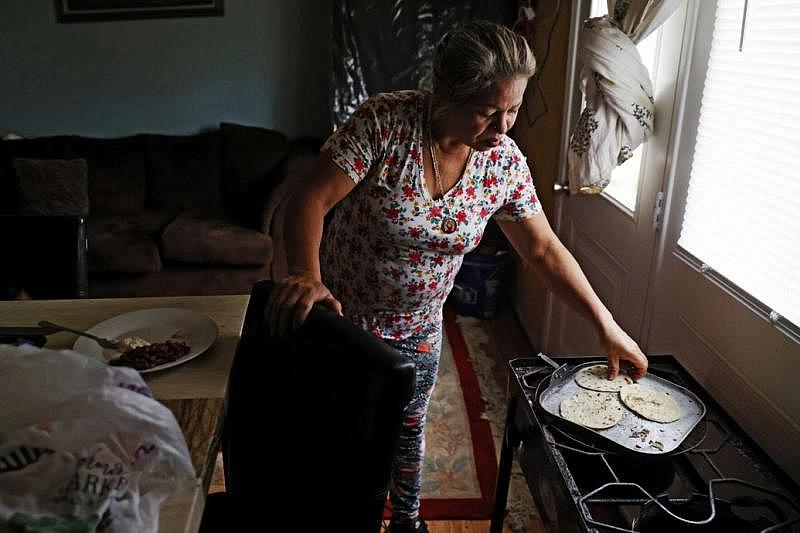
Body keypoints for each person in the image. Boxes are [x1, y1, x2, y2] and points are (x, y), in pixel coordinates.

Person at [266, 20, 648, 533]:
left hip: (419, 325)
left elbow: (542, 247)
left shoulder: (502, 164)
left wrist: (606, 324)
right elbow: (309, 200)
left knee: (407, 428)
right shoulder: (384, 123)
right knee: (338, 431)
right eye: (490, 112)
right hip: (342, 317)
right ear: (446, 93)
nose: (505, 127)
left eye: (513, 109)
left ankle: (407, 522)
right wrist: (307, 276)